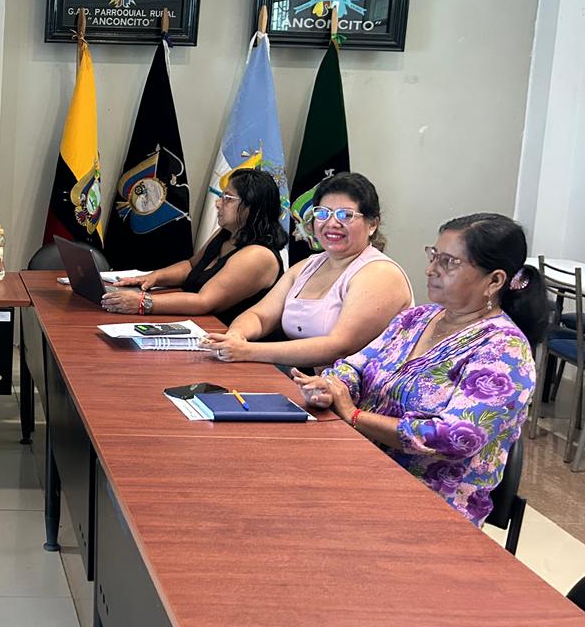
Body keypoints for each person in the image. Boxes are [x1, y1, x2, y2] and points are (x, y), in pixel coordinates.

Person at [294, 213, 546, 527]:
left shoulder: (505, 350)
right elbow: (355, 366)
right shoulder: (417, 319)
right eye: (434, 256)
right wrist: (332, 385)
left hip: (429, 508)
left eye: (449, 262)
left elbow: (456, 436)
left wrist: (354, 415)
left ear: (494, 281)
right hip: (360, 471)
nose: (431, 269)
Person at [203, 172, 413, 367]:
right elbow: (259, 316)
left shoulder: (380, 273)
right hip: (304, 379)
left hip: (352, 390)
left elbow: (339, 346)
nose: (332, 223)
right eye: (322, 213)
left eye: (345, 215)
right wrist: (236, 335)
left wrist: (247, 351)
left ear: (372, 224)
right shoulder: (307, 266)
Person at [102, 167, 286, 323]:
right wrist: (153, 277)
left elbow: (204, 301)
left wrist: (143, 302)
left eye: (227, 198)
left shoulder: (258, 256)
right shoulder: (228, 233)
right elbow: (191, 266)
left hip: (230, 339)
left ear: (251, 206)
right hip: (199, 325)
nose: (218, 203)